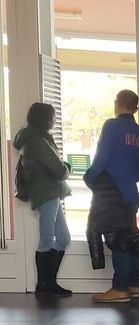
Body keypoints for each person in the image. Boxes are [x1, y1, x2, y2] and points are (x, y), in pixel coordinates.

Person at [85, 89, 139, 304]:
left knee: (118, 240)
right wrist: (128, 178)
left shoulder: (112, 126)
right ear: (136, 108)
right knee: (130, 239)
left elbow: (101, 158)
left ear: (116, 103)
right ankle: (134, 285)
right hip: (131, 194)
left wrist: (90, 178)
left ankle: (119, 288)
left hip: (112, 195)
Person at [14, 103, 72, 298]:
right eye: (53, 116)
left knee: (62, 238)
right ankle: (44, 285)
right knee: (46, 239)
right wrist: (67, 167)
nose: (55, 120)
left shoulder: (34, 138)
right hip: (46, 191)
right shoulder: (38, 140)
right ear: (45, 118)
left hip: (49, 192)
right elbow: (59, 169)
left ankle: (49, 283)